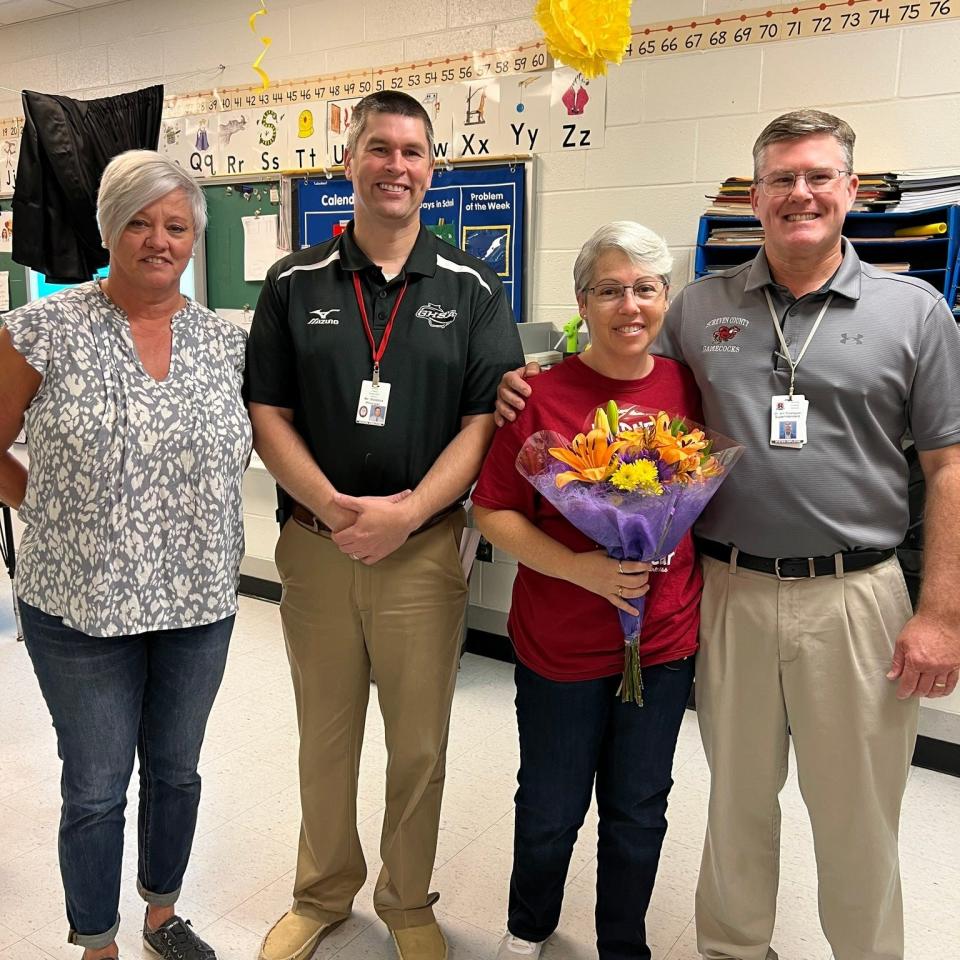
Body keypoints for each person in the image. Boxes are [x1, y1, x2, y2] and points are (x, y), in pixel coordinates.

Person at [495, 110, 960, 960]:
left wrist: (943, 615)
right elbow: (621, 366)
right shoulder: (701, 307)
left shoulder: (916, 312)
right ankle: (735, 951)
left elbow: (949, 470)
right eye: (781, 178)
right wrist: (525, 380)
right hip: (730, 592)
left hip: (856, 596)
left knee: (856, 811)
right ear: (756, 196)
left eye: (819, 176)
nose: (801, 193)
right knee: (737, 803)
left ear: (852, 190)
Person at [245, 90, 523, 960]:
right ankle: (322, 892)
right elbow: (267, 412)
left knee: (419, 744)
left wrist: (408, 513)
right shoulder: (293, 282)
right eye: (378, 148)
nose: (395, 165)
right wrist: (333, 508)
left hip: (425, 551)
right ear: (349, 161)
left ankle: (407, 899)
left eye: (412, 152)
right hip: (319, 549)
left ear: (431, 170)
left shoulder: (472, 284)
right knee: (324, 739)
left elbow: (487, 419)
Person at [0, 150, 252, 960]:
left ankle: (160, 914)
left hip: (198, 604)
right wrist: (43, 505)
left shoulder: (225, 342)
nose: (158, 239)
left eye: (175, 225)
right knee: (97, 787)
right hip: (79, 608)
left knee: (176, 773)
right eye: (138, 221)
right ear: (108, 228)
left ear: (194, 239)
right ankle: (97, 940)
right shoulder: (43, 328)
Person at [472, 221, 701, 960]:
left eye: (645, 289)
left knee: (638, 808)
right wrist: (582, 570)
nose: (628, 305)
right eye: (609, 290)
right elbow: (493, 509)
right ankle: (529, 925)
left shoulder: (688, 386)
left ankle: (621, 943)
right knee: (550, 803)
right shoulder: (536, 394)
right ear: (582, 301)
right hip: (561, 642)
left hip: (660, 640)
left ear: (665, 298)